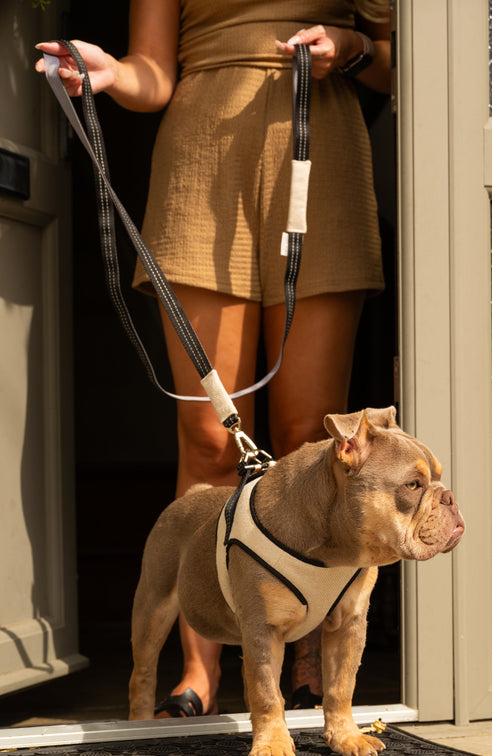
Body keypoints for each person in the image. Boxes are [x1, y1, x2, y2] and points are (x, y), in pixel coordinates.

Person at [36, 0, 391, 717]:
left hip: (319, 136)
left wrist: (350, 47)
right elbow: (154, 73)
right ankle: (201, 667)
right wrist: (109, 75)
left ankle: (307, 654)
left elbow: (398, 64)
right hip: (203, 151)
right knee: (209, 442)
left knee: (311, 442)